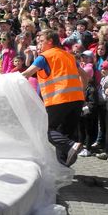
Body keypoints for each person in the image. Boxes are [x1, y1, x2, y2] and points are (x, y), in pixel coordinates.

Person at [21, 29, 88, 166]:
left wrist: (8, 80)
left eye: (41, 41)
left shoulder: (44, 56)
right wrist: (82, 91)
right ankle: (63, 166)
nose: (39, 44)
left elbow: (27, 74)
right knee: (65, 133)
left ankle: (70, 146)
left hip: (58, 99)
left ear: (50, 41)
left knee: (43, 128)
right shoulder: (68, 56)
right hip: (77, 99)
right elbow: (85, 76)